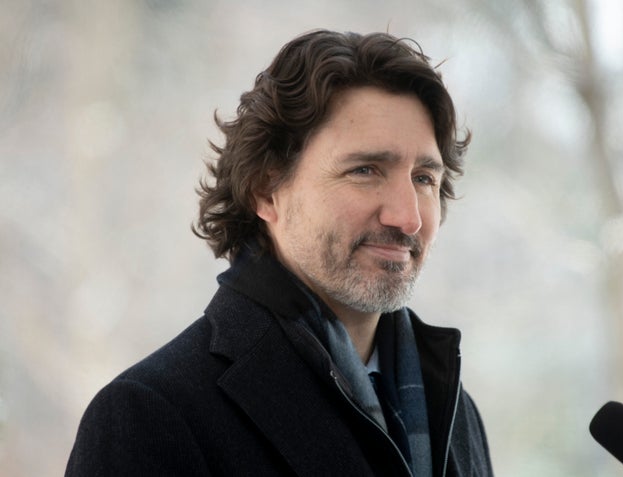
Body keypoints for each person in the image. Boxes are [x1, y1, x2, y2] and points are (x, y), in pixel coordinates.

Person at [65, 29, 493, 477]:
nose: (408, 218)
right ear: (266, 190)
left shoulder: (456, 415)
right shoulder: (148, 416)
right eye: (365, 170)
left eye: (424, 178)